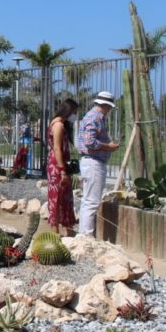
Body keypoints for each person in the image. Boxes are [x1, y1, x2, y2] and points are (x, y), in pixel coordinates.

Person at [77, 91, 121, 235]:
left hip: (91, 163)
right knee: (91, 202)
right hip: (93, 163)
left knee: (87, 201)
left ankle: (84, 235)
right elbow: (90, 142)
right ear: (105, 105)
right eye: (109, 107)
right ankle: (87, 237)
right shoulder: (94, 117)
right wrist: (109, 146)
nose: (109, 110)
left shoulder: (92, 116)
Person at [46, 99, 79, 236]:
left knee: (66, 197)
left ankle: (69, 230)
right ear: (69, 111)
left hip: (60, 165)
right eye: (75, 112)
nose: (75, 115)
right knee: (57, 197)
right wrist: (63, 170)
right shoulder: (58, 125)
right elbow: (57, 148)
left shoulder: (59, 124)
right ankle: (56, 233)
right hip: (57, 167)